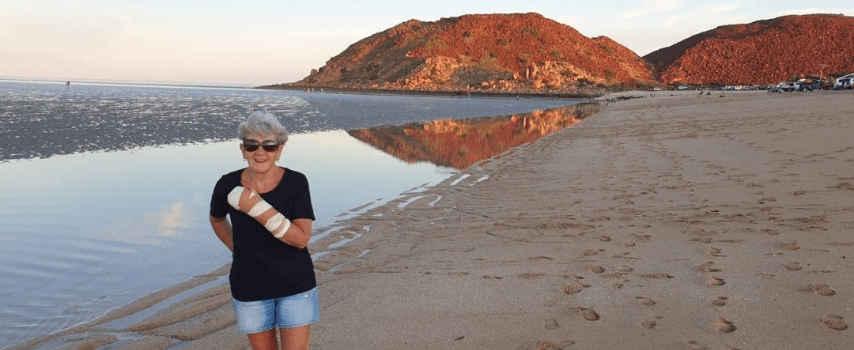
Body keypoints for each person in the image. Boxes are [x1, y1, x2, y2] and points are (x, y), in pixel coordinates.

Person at [209, 111, 318, 350]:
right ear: (242, 150)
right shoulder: (227, 184)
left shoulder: (296, 182)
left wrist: (255, 207)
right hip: (249, 285)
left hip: (295, 285)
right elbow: (217, 220)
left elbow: (301, 239)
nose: (260, 152)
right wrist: (237, 248)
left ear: (279, 150)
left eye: (269, 146)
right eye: (252, 145)